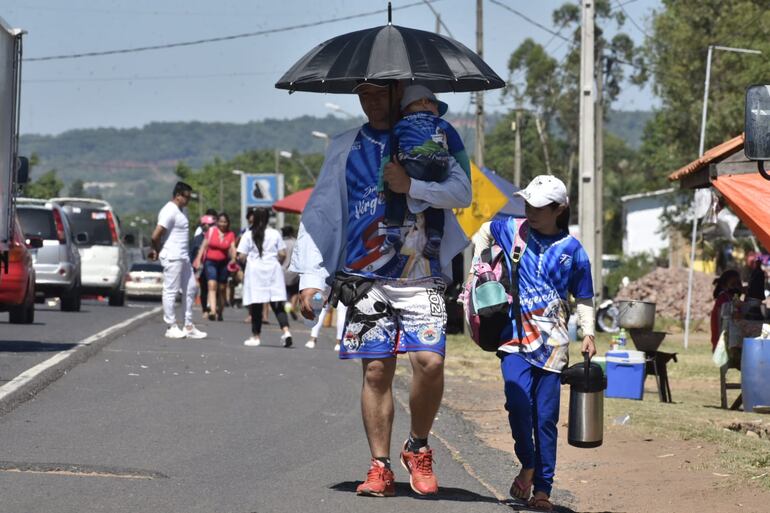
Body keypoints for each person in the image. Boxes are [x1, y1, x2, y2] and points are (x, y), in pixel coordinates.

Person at [291, 80, 471, 498]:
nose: (370, 102)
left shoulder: (431, 137)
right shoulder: (345, 144)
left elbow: (462, 192)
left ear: (399, 95)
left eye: (379, 94)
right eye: (363, 95)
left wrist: (412, 186)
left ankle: (418, 446)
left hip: (420, 274)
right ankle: (380, 466)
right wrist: (312, 277)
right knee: (376, 370)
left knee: (429, 362)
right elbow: (322, 209)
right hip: (365, 277)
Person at [470, 175, 595, 511]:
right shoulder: (513, 229)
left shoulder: (573, 251)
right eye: (527, 204)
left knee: (545, 419)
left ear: (559, 209)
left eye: (539, 207)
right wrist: (478, 269)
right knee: (517, 402)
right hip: (513, 338)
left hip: (554, 346)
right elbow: (482, 231)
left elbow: (584, 297)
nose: (530, 211)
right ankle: (528, 461)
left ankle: (542, 489)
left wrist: (588, 333)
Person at [382, 84, 469, 258]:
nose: (437, 111)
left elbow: (388, 155)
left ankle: (392, 228)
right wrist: (467, 176)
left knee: (397, 191)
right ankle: (435, 234)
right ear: (424, 102)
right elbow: (460, 152)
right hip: (440, 167)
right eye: (436, 105)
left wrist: (383, 184)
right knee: (433, 195)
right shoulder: (442, 123)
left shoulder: (400, 125)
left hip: (410, 164)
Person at [148, 182, 207, 339]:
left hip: (183, 256)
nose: (188, 200)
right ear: (178, 195)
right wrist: (158, 250)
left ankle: (188, 325)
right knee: (171, 291)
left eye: (189, 197)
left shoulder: (182, 211)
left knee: (191, 288)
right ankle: (171, 326)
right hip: (172, 256)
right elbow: (156, 235)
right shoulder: (169, 211)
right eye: (186, 197)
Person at [237, 207, 293, 348]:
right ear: (268, 218)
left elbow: (241, 256)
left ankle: (256, 336)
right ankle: (286, 332)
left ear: (254, 218)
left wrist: (245, 260)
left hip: (255, 272)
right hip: (273, 270)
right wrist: (276, 262)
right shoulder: (275, 234)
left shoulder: (248, 234)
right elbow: (282, 253)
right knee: (277, 303)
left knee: (256, 303)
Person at [194, 212, 237, 321]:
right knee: (211, 284)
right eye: (221, 221)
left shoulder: (230, 234)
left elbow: (232, 248)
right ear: (217, 222)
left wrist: (233, 258)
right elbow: (203, 246)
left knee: (222, 288)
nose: (223, 224)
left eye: (225, 222)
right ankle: (212, 311)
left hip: (223, 263)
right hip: (210, 262)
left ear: (228, 223)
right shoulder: (211, 231)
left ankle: (220, 311)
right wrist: (198, 259)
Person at [710, 269, 742, 352]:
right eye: (733, 284)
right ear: (724, 286)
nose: (736, 287)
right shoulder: (723, 298)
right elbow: (720, 318)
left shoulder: (734, 298)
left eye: (738, 284)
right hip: (722, 336)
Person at [191, 214, 216, 316]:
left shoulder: (216, 235)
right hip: (202, 266)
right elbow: (192, 253)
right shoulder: (197, 239)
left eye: (212, 224)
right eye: (207, 224)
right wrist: (193, 267)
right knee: (204, 288)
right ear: (203, 225)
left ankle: (214, 308)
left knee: (214, 286)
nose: (210, 226)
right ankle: (205, 309)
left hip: (214, 265)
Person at [281, 225, 300, 320]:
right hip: (294, 271)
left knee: (284, 292)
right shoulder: (297, 243)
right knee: (295, 292)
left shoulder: (281, 243)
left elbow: (279, 257)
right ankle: (292, 306)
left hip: (283, 271)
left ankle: (287, 305)